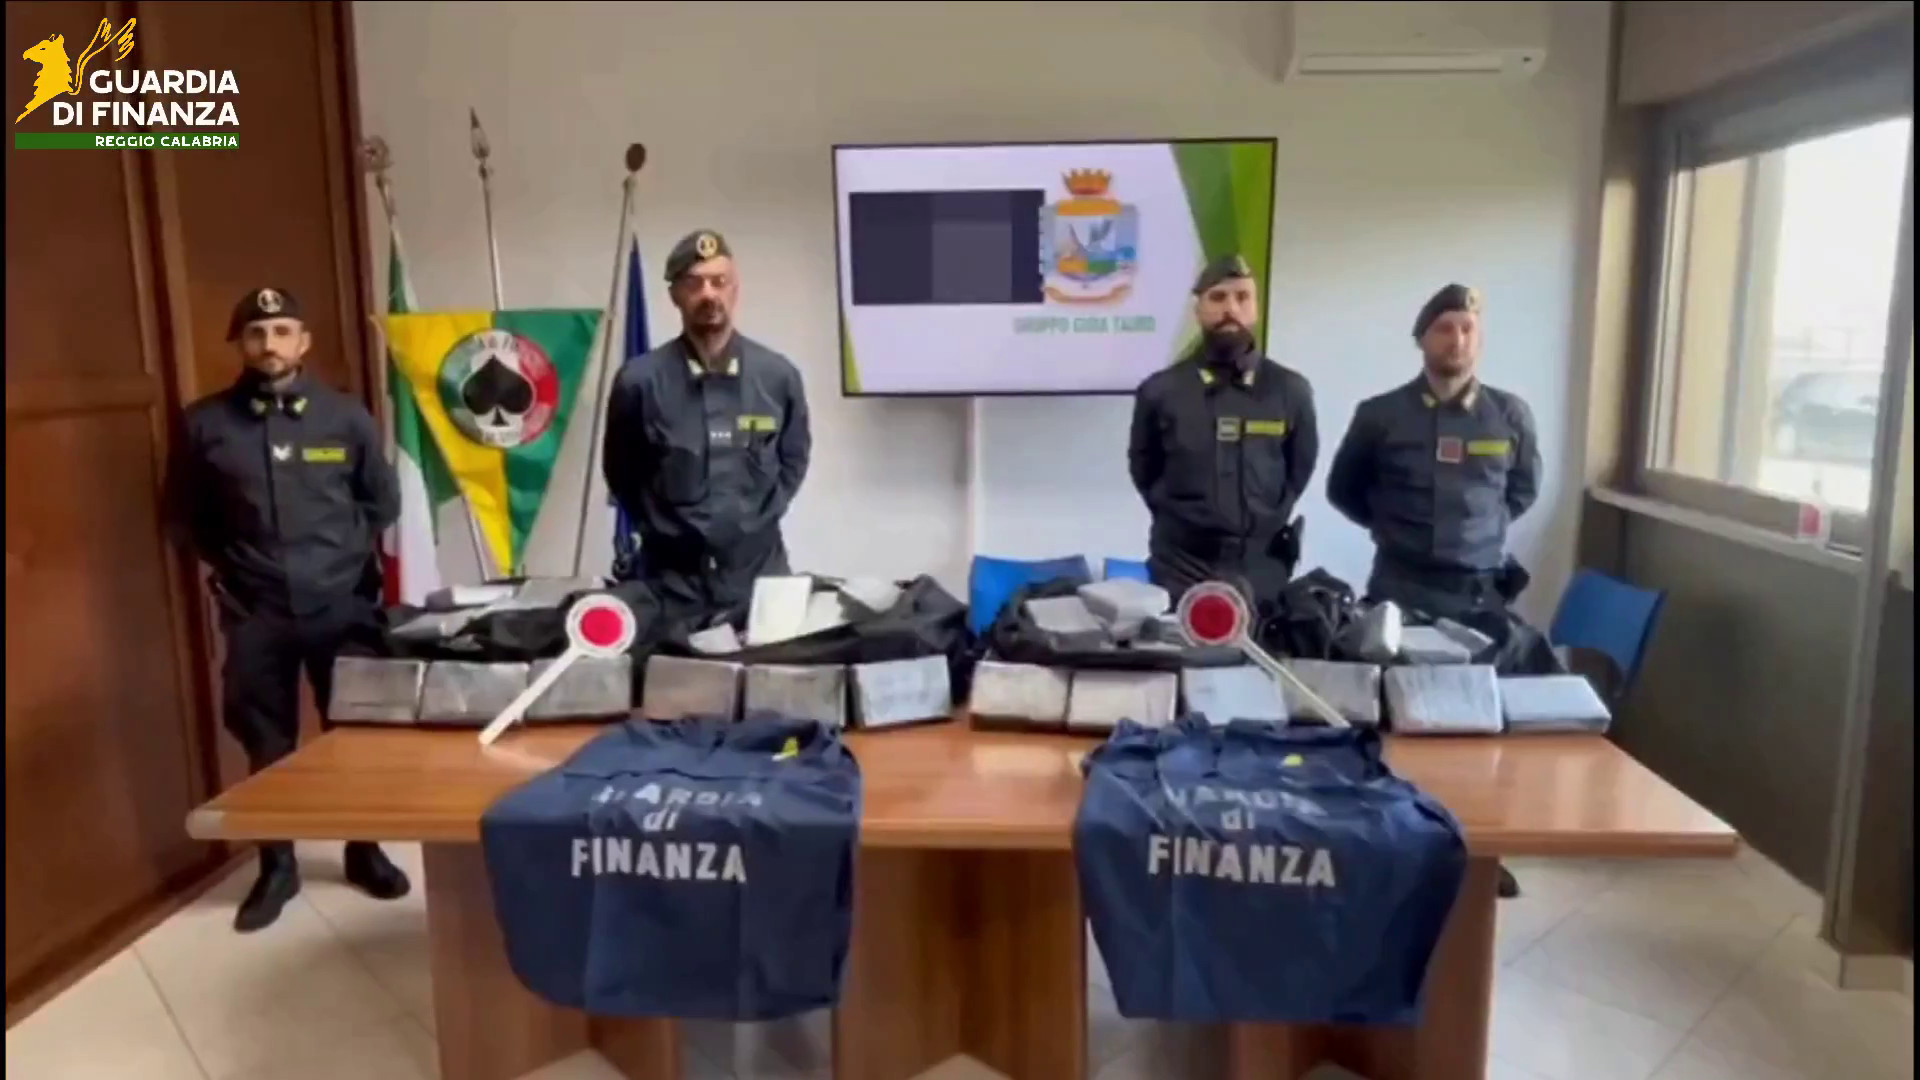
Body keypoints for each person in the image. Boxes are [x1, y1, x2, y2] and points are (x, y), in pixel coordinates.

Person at [166, 287, 411, 931]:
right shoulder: (204, 424)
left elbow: (382, 503)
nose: (269, 343)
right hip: (258, 611)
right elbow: (185, 519)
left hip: (341, 605)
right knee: (266, 740)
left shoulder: (346, 417)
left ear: (303, 341)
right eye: (256, 333)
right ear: (240, 345)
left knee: (353, 733)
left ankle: (364, 850)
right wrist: (239, 571)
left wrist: (340, 564)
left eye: (281, 331)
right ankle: (278, 865)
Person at [1325, 283, 1541, 899]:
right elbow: (1344, 490)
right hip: (1403, 586)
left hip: (1478, 595)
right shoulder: (1381, 415)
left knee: (1479, 732)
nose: (1458, 340)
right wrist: (1397, 530)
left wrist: (1477, 535)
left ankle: (1480, 851)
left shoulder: (1510, 415)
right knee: (1397, 724)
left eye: (1468, 328)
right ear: (1422, 338)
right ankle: (1393, 848)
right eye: (1445, 328)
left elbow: (1521, 492)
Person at [602, 230, 812, 616]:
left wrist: (751, 523)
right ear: (675, 295)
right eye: (694, 283)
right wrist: (669, 529)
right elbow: (622, 475)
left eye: (719, 281)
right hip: (669, 587)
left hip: (758, 583)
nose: (709, 294)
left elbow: (794, 460)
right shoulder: (639, 381)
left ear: (735, 290)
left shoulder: (778, 376)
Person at [1128, 254, 1319, 609]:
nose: (1230, 308)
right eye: (1217, 297)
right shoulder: (1160, 391)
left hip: (1261, 568)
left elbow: (1299, 469)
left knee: (1260, 644)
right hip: (1181, 567)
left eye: (1242, 297)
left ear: (1256, 308)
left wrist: (1265, 517)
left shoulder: (1290, 390)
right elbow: (1144, 470)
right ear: (1198, 309)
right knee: (1178, 645)